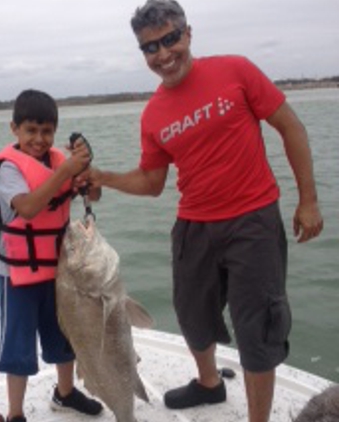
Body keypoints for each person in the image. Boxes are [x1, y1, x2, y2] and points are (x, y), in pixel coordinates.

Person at [88, 1, 324, 422]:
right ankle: (209, 384)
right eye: (149, 48)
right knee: (192, 316)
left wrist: (308, 199)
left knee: (258, 329)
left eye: (170, 39)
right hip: (194, 226)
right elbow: (152, 181)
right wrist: (103, 177)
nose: (162, 54)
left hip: (254, 221)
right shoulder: (152, 114)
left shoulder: (236, 70)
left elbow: (291, 127)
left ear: (188, 34)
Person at [0, 89, 103, 422]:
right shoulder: (7, 169)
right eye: (31, 131)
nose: (39, 139)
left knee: (64, 336)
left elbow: (93, 193)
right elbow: (28, 207)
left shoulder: (59, 161)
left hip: (61, 271)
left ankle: (64, 393)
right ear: (15, 129)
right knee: (18, 347)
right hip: (18, 277)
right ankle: (15, 413)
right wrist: (66, 171)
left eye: (46, 131)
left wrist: (86, 172)